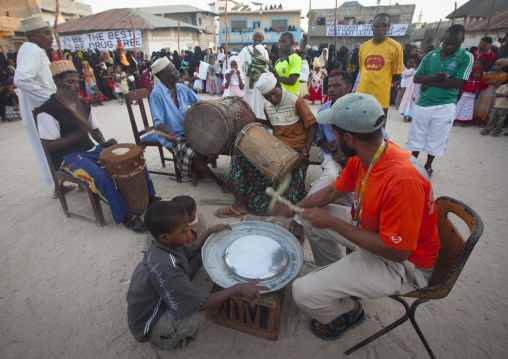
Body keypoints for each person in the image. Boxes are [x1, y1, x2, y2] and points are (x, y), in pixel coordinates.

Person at [272, 92, 440, 341]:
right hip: (377, 234)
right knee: (308, 217)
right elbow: (331, 191)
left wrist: (334, 224)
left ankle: (350, 310)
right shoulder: (366, 156)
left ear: (348, 137)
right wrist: (294, 208)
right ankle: (337, 283)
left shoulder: (403, 180)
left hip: (404, 265)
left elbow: (398, 252)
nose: (332, 137)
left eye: (334, 132)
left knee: (302, 293)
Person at [38, 61, 160, 233]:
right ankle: (126, 216)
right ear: (57, 83)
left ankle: (151, 197)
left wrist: (103, 143)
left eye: (76, 81)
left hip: (90, 150)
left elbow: (94, 130)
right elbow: (49, 145)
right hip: (68, 159)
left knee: (133, 157)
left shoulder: (82, 104)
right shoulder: (48, 110)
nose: (76, 85)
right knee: (100, 176)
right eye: (70, 82)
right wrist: (77, 135)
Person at [127, 201, 267, 349]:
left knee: (198, 257)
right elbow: (199, 305)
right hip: (148, 322)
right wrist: (237, 288)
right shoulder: (167, 267)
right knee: (197, 316)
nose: (189, 232)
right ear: (164, 237)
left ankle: (173, 314)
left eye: (188, 226)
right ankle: (164, 340)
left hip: (155, 295)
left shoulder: (161, 245)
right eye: (183, 231)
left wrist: (210, 231)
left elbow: (190, 249)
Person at [216, 72, 317, 218]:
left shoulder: (295, 100)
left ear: (279, 86)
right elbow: (273, 125)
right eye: (268, 96)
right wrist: (256, 119)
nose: (272, 99)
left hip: (298, 152)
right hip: (276, 148)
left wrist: (306, 150)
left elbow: (312, 124)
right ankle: (240, 205)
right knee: (240, 157)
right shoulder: (267, 105)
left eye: (275, 94)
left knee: (286, 193)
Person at [149, 57, 230, 192]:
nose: (177, 72)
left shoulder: (181, 88)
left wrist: (216, 109)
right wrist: (169, 133)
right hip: (174, 135)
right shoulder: (156, 94)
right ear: (163, 76)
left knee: (216, 139)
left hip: (190, 130)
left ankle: (198, 171)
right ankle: (218, 181)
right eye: (173, 71)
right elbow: (158, 121)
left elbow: (199, 103)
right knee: (195, 154)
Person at [406, 24, 473, 177]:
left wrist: (430, 82)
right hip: (423, 103)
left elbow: (458, 82)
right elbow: (417, 78)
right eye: (447, 42)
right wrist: (433, 78)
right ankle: (413, 163)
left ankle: (428, 165)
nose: (449, 46)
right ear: (443, 39)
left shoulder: (465, 57)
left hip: (445, 104)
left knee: (437, 137)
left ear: (461, 41)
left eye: (455, 43)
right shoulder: (431, 56)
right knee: (417, 135)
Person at [14, 16, 57, 187]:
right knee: (53, 144)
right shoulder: (32, 50)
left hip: (41, 107)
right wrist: (50, 99)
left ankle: (58, 183)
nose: (51, 37)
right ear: (34, 34)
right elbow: (22, 79)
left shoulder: (30, 49)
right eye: (47, 33)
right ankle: (60, 184)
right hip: (43, 109)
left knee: (48, 145)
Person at [356, 13, 403, 119]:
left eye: (384, 25)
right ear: (372, 26)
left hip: (380, 100)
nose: (380, 28)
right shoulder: (363, 47)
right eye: (377, 25)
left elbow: (396, 76)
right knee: (358, 131)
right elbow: (362, 71)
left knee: (378, 132)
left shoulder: (395, 47)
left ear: (388, 27)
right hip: (361, 97)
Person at [238, 28, 269, 119]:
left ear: (263, 38)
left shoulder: (265, 51)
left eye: (260, 36)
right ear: (252, 37)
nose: (257, 38)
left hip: (260, 80)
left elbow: (265, 66)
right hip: (248, 80)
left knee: (260, 102)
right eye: (256, 36)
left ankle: (260, 119)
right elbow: (240, 65)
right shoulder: (245, 50)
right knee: (249, 100)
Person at [472, 59, 508, 126]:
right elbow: (483, 81)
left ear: (503, 66)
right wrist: (493, 81)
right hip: (485, 91)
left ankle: (485, 121)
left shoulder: (504, 75)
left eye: (499, 65)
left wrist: (488, 82)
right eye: (495, 65)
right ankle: (478, 120)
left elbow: (498, 84)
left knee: (491, 106)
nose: (496, 66)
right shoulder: (488, 73)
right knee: (482, 104)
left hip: (495, 92)